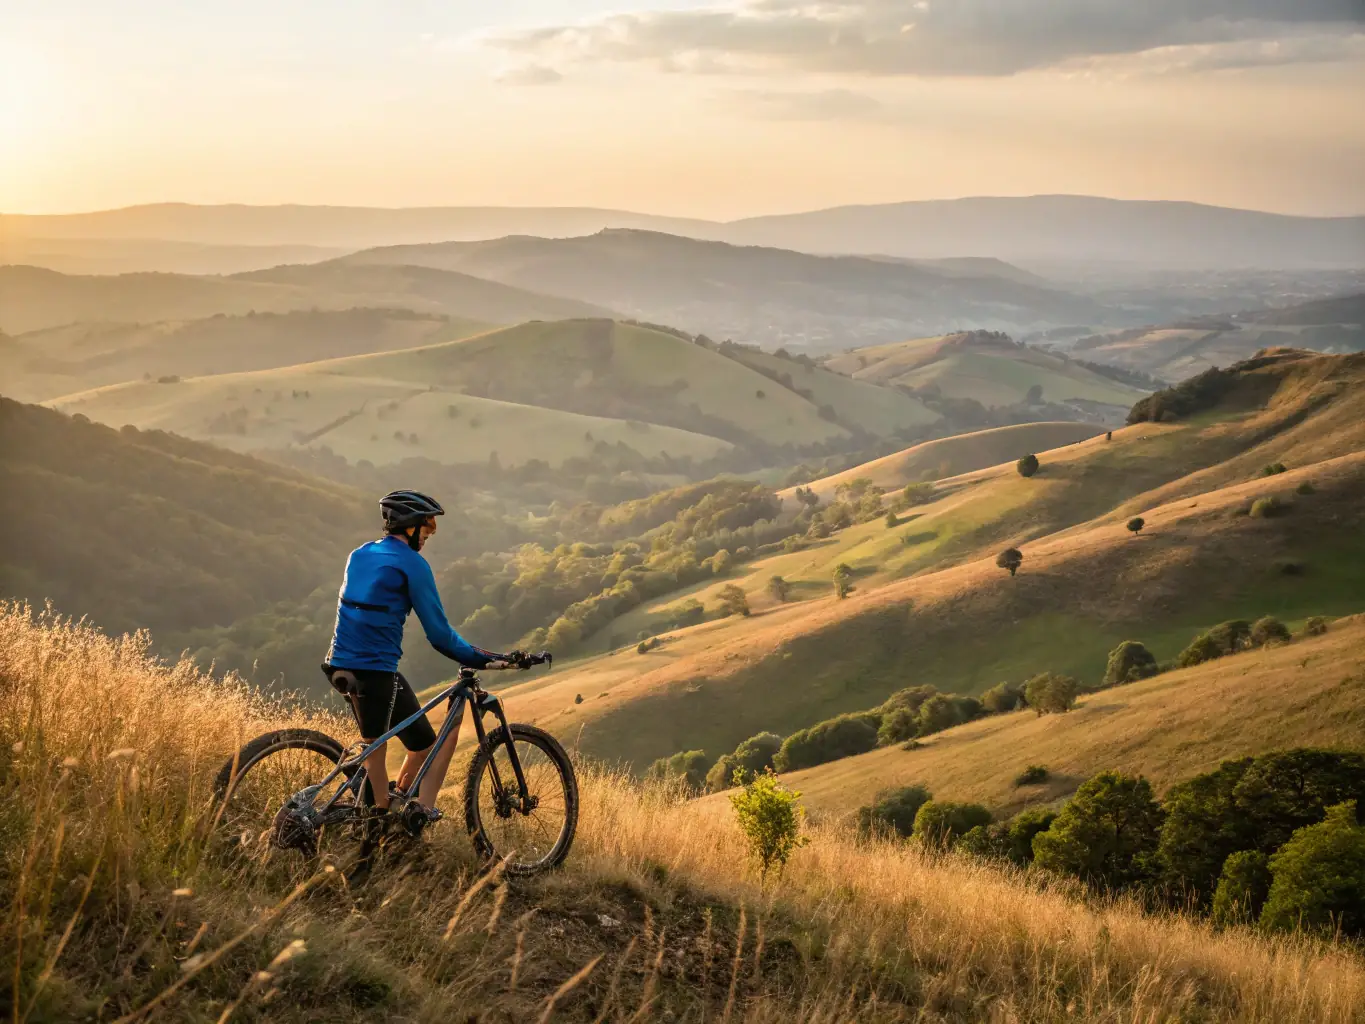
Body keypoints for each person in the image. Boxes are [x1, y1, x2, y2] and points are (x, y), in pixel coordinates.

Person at [323, 489, 509, 825]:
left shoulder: (360, 553)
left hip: (338, 663)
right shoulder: (412, 565)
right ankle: (385, 817)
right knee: (401, 751)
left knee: (420, 743)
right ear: (410, 526)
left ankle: (393, 810)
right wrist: (487, 659)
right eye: (427, 528)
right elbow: (440, 636)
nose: (429, 535)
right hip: (374, 670)